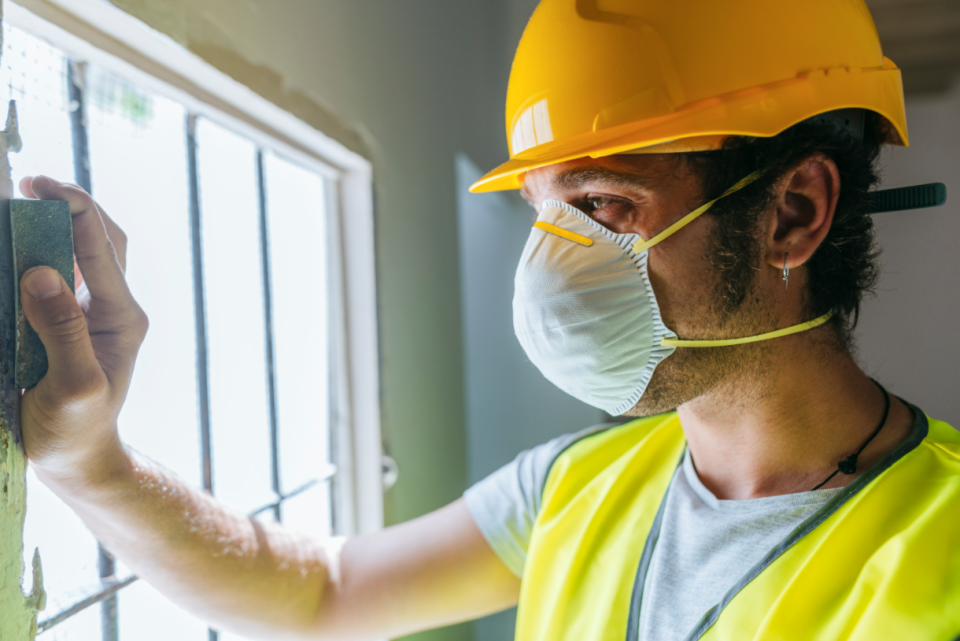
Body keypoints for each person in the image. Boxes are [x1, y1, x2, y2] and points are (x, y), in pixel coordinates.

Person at [20, 1, 959, 640]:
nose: (554, 266)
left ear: (792, 212)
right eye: (545, 214)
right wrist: (90, 461)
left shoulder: (937, 553)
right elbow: (320, 589)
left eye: (601, 205)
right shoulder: (582, 485)